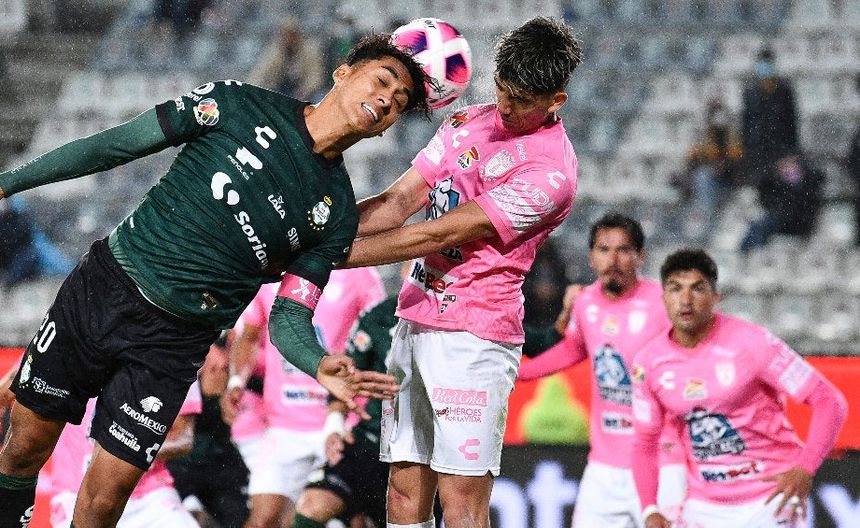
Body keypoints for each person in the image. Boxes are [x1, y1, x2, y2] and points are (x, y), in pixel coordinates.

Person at [0, 33, 427, 527]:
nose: (386, 101)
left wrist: (318, 362)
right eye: (382, 81)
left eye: (399, 103)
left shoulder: (334, 214)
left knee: (105, 499)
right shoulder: (236, 103)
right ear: (343, 72)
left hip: (175, 343)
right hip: (105, 289)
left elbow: (289, 314)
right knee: (24, 448)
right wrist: (9, 182)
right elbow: (116, 145)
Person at [340, 17, 582, 528]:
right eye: (502, 89)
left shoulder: (551, 173)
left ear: (555, 100)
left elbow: (434, 234)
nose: (506, 106)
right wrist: (319, 229)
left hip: (474, 339)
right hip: (415, 318)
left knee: (461, 505)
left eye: (522, 100)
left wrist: (331, 256)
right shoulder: (465, 121)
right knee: (403, 492)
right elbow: (398, 202)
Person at [631, 249, 848, 528]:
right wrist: (649, 508)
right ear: (663, 298)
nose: (685, 300)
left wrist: (805, 468)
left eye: (697, 288)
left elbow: (829, 400)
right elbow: (644, 443)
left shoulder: (753, 343)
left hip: (769, 498)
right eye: (675, 289)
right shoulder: (649, 363)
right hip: (704, 504)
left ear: (715, 297)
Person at [518, 213, 686, 527]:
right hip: (604, 467)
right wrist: (520, 373)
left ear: (640, 256)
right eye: (604, 250)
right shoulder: (586, 303)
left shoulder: (664, 304)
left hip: (661, 462)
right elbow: (574, 348)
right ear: (591, 258)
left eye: (623, 250)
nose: (613, 260)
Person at [224, 267, 384, 528]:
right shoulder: (273, 269)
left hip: (341, 424)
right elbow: (250, 336)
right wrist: (236, 381)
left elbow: (377, 339)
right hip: (283, 426)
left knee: (341, 518)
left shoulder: (361, 275)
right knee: (263, 519)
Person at [291, 293, 399, 528]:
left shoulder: (463, 320)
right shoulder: (380, 315)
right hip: (372, 443)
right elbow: (344, 378)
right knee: (313, 505)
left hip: (429, 456)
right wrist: (335, 426)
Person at [49, 384, 203, 528]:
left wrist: (133, 453)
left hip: (148, 496)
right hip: (76, 493)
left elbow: (184, 437)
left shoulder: (180, 364)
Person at [167, 335, 251, 528]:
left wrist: (230, 386)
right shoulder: (178, 353)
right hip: (178, 462)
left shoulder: (236, 354)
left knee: (240, 520)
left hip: (220, 460)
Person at [739, 152, 823, 251]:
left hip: (796, 222)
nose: (787, 168)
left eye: (790, 164)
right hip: (783, 219)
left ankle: (753, 251)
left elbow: (800, 205)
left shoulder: (807, 183)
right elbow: (767, 199)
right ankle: (748, 251)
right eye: (784, 165)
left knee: (760, 227)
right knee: (756, 226)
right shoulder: (775, 183)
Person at [741, 46, 799, 183]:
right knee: (761, 182)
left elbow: (791, 121)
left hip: (781, 145)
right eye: (762, 63)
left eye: (768, 63)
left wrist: (792, 150)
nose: (765, 67)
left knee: (787, 182)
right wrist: (747, 147)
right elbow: (746, 121)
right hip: (758, 147)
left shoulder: (784, 90)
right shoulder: (750, 91)